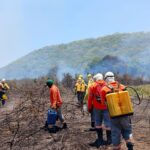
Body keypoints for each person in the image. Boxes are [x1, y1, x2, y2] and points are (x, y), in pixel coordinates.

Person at [101, 72, 134, 150]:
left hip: (114, 116)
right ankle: (130, 146)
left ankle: (116, 147)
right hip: (126, 114)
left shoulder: (104, 89)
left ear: (105, 79)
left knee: (115, 133)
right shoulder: (123, 87)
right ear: (114, 78)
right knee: (128, 130)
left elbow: (103, 103)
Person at [88, 73, 111, 148]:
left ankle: (100, 140)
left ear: (95, 79)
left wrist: (89, 107)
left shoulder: (92, 86)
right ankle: (109, 140)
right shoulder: (107, 84)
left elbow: (90, 98)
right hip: (106, 107)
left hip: (97, 108)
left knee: (98, 123)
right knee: (108, 123)